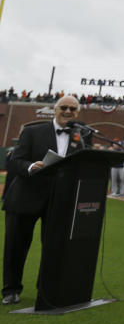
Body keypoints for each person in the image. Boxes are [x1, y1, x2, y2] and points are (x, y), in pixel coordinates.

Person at [2, 96, 90, 305]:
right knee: (15, 247)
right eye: (64, 107)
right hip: (25, 198)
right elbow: (16, 161)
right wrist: (32, 167)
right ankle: (11, 290)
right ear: (54, 109)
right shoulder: (32, 131)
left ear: (78, 113)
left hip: (59, 201)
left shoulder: (82, 136)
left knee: (54, 248)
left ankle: (46, 288)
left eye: (73, 109)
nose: (68, 111)